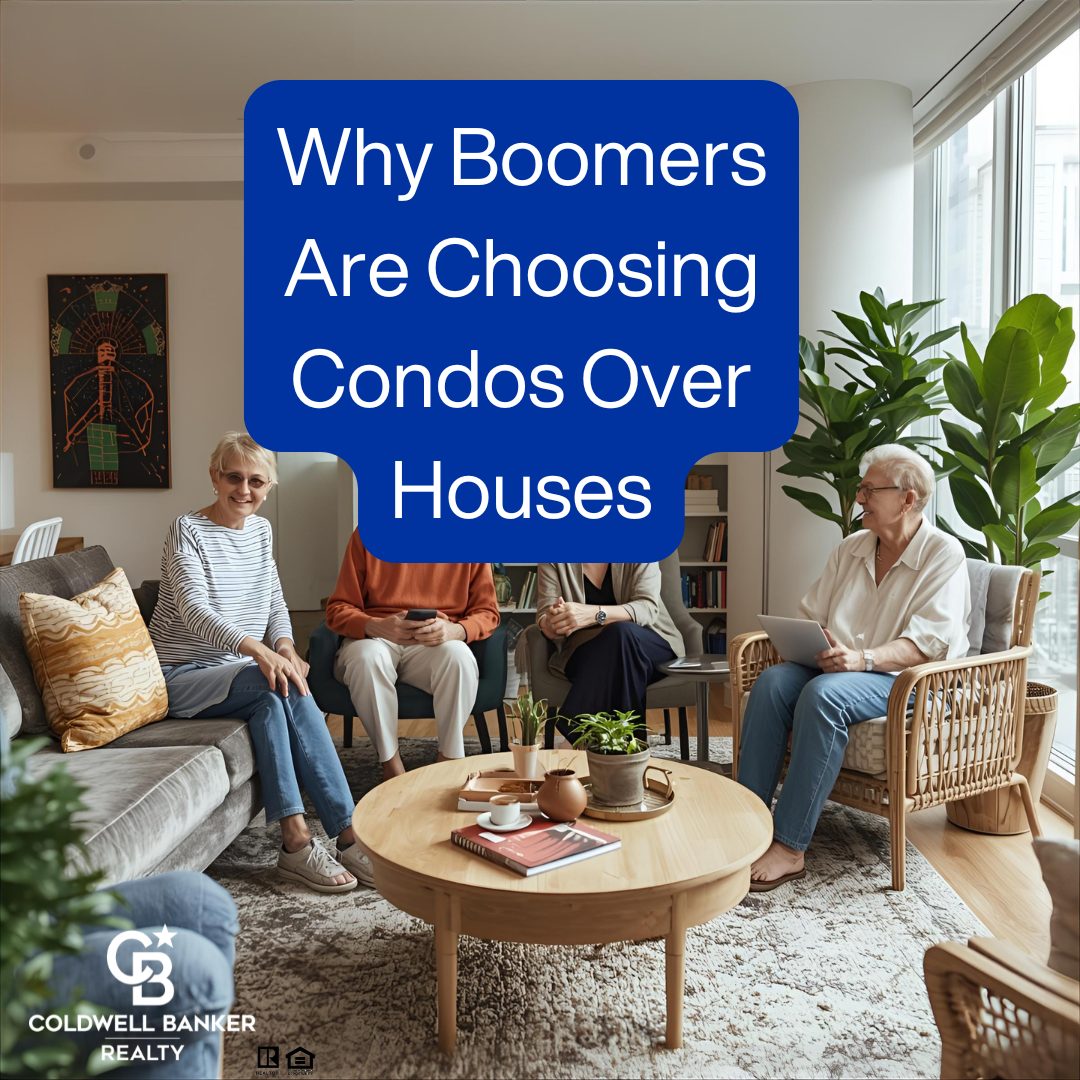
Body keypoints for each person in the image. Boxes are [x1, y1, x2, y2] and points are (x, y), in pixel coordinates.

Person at [738, 444, 970, 891]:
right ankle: (745, 824)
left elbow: (927, 644)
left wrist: (861, 659)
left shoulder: (943, 554)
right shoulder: (852, 548)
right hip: (840, 666)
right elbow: (815, 613)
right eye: (861, 489)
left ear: (908, 499)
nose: (859, 499)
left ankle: (789, 846)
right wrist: (813, 641)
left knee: (823, 697)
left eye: (869, 490)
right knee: (771, 683)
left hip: (902, 680)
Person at [149, 433, 372, 894]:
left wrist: (286, 646)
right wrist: (259, 651)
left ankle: (295, 843)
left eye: (256, 481)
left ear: (270, 487)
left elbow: (273, 599)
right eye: (234, 477)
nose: (244, 490)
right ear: (215, 476)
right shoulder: (186, 530)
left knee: (274, 697)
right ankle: (347, 833)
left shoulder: (261, 531)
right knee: (278, 682)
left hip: (244, 675)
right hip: (181, 675)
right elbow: (193, 610)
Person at [326, 532, 499, 781]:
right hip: (377, 637)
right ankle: (391, 766)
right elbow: (337, 609)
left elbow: (487, 611)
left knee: (458, 656)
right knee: (367, 658)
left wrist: (455, 630)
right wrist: (376, 625)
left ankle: (448, 762)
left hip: (437, 641)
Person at [536, 563, 683, 738]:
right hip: (587, 649)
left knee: (620, 634)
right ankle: (629, 753)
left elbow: (647, 607)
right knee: (620, 649)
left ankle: (576, 731)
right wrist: (554, 622)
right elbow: (544, 615)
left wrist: (594, 614)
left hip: (647, 641)